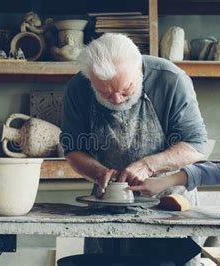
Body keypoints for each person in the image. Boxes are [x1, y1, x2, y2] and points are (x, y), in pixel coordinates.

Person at [60, 33, 207, 264]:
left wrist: (148, 165)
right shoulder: (78, 88)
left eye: (126, 89)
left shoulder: (170, 80)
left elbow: (196, 146)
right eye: (105, 93)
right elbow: (73, 149)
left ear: (139, 68)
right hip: (109, 203)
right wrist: (99, 173)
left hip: (169, 203)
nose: (117, 99)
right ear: (91, 79)